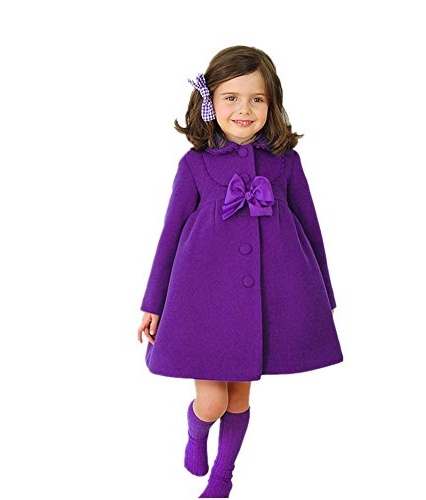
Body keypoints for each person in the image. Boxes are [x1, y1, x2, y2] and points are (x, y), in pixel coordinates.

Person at [136, 45, 344, 498]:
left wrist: (323, 296)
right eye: (231, 98)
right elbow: (170, 234)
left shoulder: (286, 163)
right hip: (202, 300)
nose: (244, 110)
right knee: (213, 401)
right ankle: (196, 431)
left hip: (261, 301)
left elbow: (310, 227)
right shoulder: (194, 165)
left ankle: (223, 476)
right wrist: (153, 303)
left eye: (257, 99)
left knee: (239, 399)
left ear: (272, 104)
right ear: (210, 103)